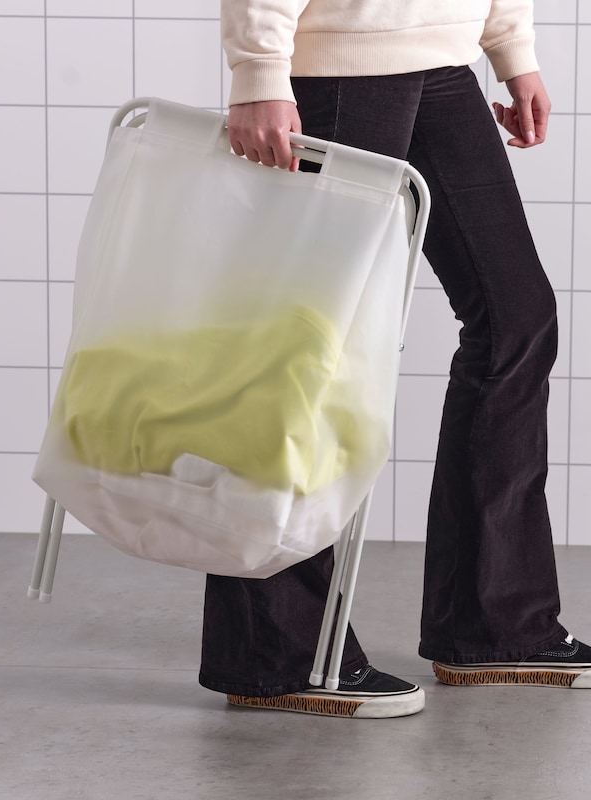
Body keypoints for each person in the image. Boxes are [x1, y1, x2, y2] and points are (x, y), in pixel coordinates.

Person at [198, 0, 591, 718]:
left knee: (516, 320)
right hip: (339, 66)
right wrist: (259, 69)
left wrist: (512, 48)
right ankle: (275, 650)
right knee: (311, 343)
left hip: (443, 59)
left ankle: (490, 622)